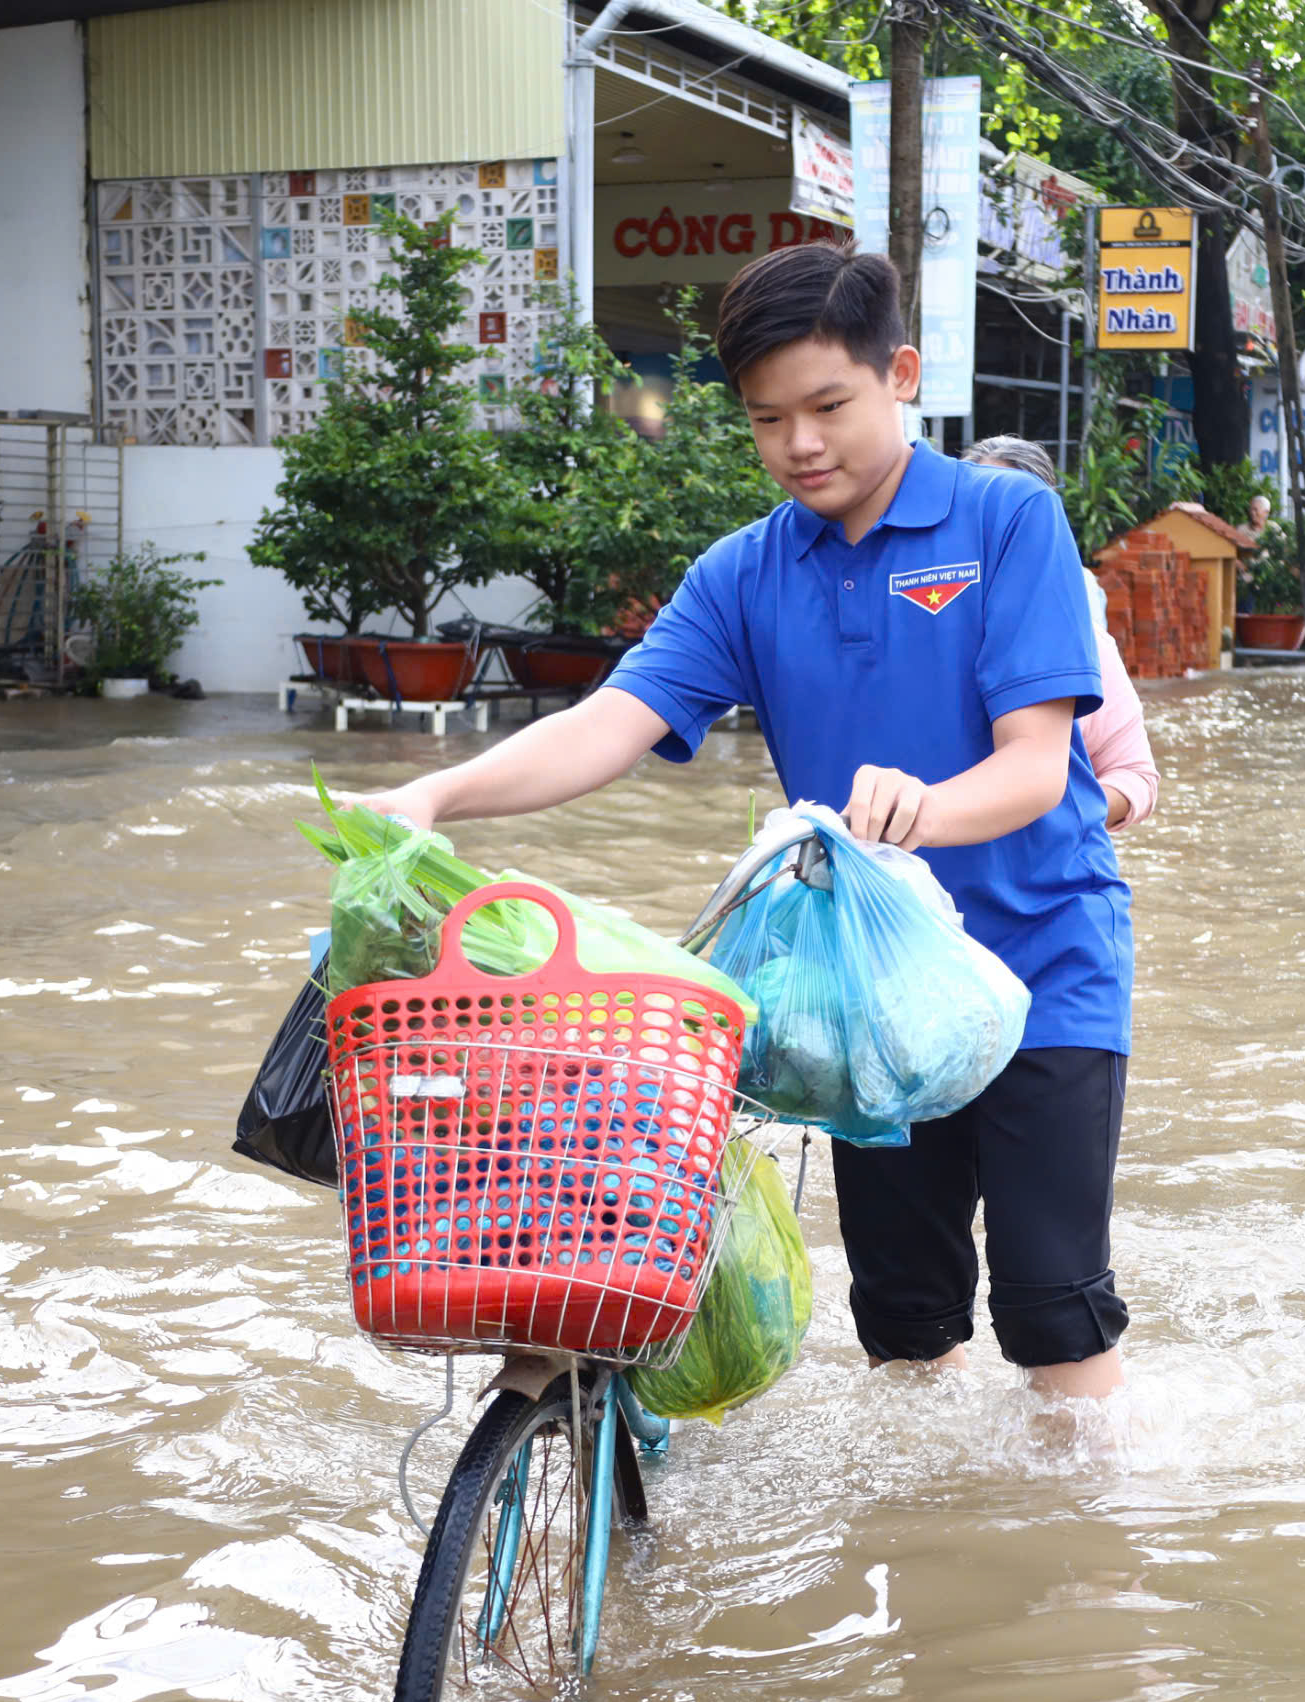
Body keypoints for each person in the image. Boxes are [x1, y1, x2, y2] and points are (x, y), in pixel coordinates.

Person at [351, 244, 1134, 1401]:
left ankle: (1077, 1554)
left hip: (1047, 958)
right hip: (862, 989)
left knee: (1051, 1302)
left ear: (900, 373)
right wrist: (433, 793)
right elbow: (611, 721)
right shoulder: (743, 572)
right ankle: (939, 1549)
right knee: (906, 1317)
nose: (801, 445)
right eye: (769, 421)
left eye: (828, 406)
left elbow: (1033, 767)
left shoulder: (1007, 521)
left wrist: (919, 806)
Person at [960, 435, 1157, 832]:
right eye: (975, 512)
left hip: (1043, 883)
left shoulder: (1087, 645)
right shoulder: (916, 635)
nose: (992, 532)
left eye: (1011, 515)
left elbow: (1135, 776)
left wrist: (1060, 819)